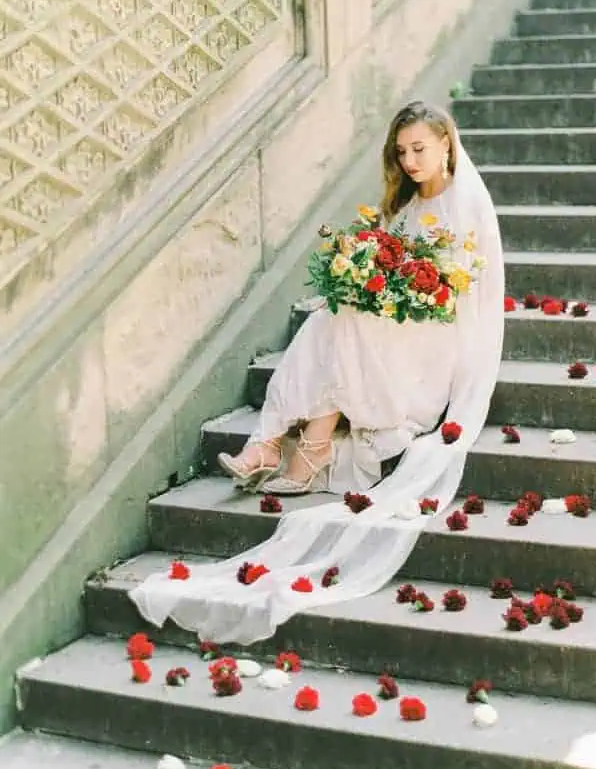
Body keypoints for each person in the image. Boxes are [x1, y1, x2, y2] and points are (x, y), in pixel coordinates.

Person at [129, 101, 504, 645]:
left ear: (447, 142)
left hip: (434, 343)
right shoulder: (403, 202)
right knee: (336, 314)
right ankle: (291, 445)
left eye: (420, 148)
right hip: (394, 324)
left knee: (340, 319)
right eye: (402, 152)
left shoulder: (467, 201)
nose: (410, 161)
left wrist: (396, 297)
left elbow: (466, 297)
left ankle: (283, 444)